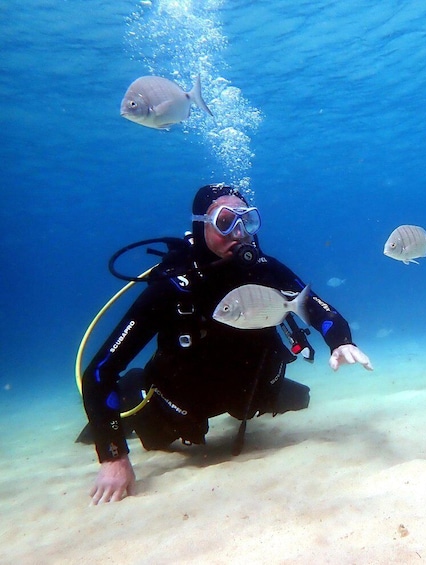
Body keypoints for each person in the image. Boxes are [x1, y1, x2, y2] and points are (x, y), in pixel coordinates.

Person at [80, 184, 372, 505]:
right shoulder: (174, 285)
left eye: (247, 221)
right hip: (183, 404)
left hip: (251, 392)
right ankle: (136, 391)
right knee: (151, 431)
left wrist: (340, 341)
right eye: (224, 222)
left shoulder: (265, 270)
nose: (239, 233)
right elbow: (100, 370)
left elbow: (315, 307)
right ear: (200, 225)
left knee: (301, 398)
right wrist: (113, 458)